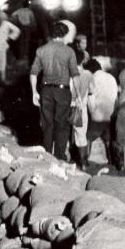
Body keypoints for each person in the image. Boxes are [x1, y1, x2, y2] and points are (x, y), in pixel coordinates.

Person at [30, 21, 81, 159]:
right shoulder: (69, 51)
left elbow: (33, 73)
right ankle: (59, 157)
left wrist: (34, 92)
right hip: (62, 91)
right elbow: (75, 75)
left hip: (46, 90)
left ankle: (47, 155)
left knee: (47, 125)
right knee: (62, 125)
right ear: (64, 34)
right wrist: (79, 96)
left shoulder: (41, 50)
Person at [85, 58, 118, 164]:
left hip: (97, 116)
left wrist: (91, 112)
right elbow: (115, 97)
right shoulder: (111, 77)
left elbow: (91, 98)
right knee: (108, 137)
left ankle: (86, 158)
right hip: (110, 114)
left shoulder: (92, 78)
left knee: (88, 137)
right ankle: (111, 158)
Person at [71, 50, 94, 169]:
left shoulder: (67, 72)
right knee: (80, 134)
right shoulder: (88, 74)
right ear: (83, 61)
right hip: (79, 108)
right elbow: (91, 91)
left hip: (66, 106)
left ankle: (63, 157)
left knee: (63, 132)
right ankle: (83, 162)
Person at [0, 10, 20, 83]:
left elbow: (17, 30)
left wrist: (10, 37)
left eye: (2, 19)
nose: (1, 20)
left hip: (3, 45)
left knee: (2, 62)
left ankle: (2, 79)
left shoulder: (7, 24)